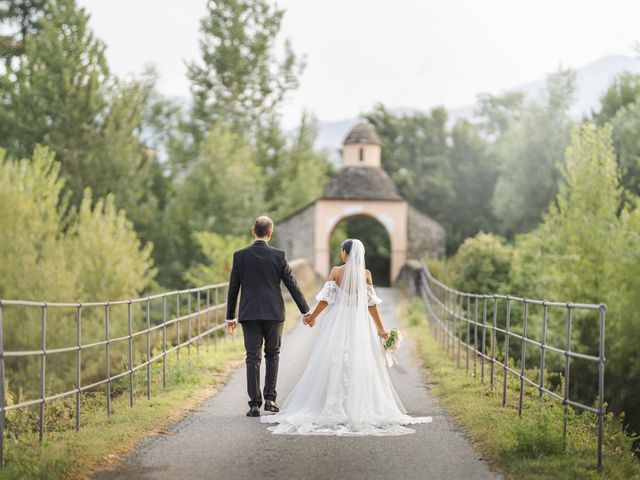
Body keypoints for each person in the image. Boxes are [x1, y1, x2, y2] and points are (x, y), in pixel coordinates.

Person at [261, 238, 432, 435]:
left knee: (333, 358)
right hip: (360, 323)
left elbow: (326, 299)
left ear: (345, 253)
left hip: (337, 321)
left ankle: (332, 402)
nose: (341, 253)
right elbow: (371, 305)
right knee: (359, 358)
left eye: (342, 251)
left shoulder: (336, 271)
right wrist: (382, 330)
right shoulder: (366, 274)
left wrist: (312, 317)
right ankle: (358, 404)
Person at [226, 216, 311, 417]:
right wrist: (306, 311)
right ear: (270, 233)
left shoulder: (240, 256)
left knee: (252, 357)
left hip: (250, 314)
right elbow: (292, 284)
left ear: (252, 230)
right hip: (274, 313)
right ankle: (270, 400)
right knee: (273, 355)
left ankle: (254, 404)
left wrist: (231, 317)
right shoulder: (279, 255)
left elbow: (233, 288)